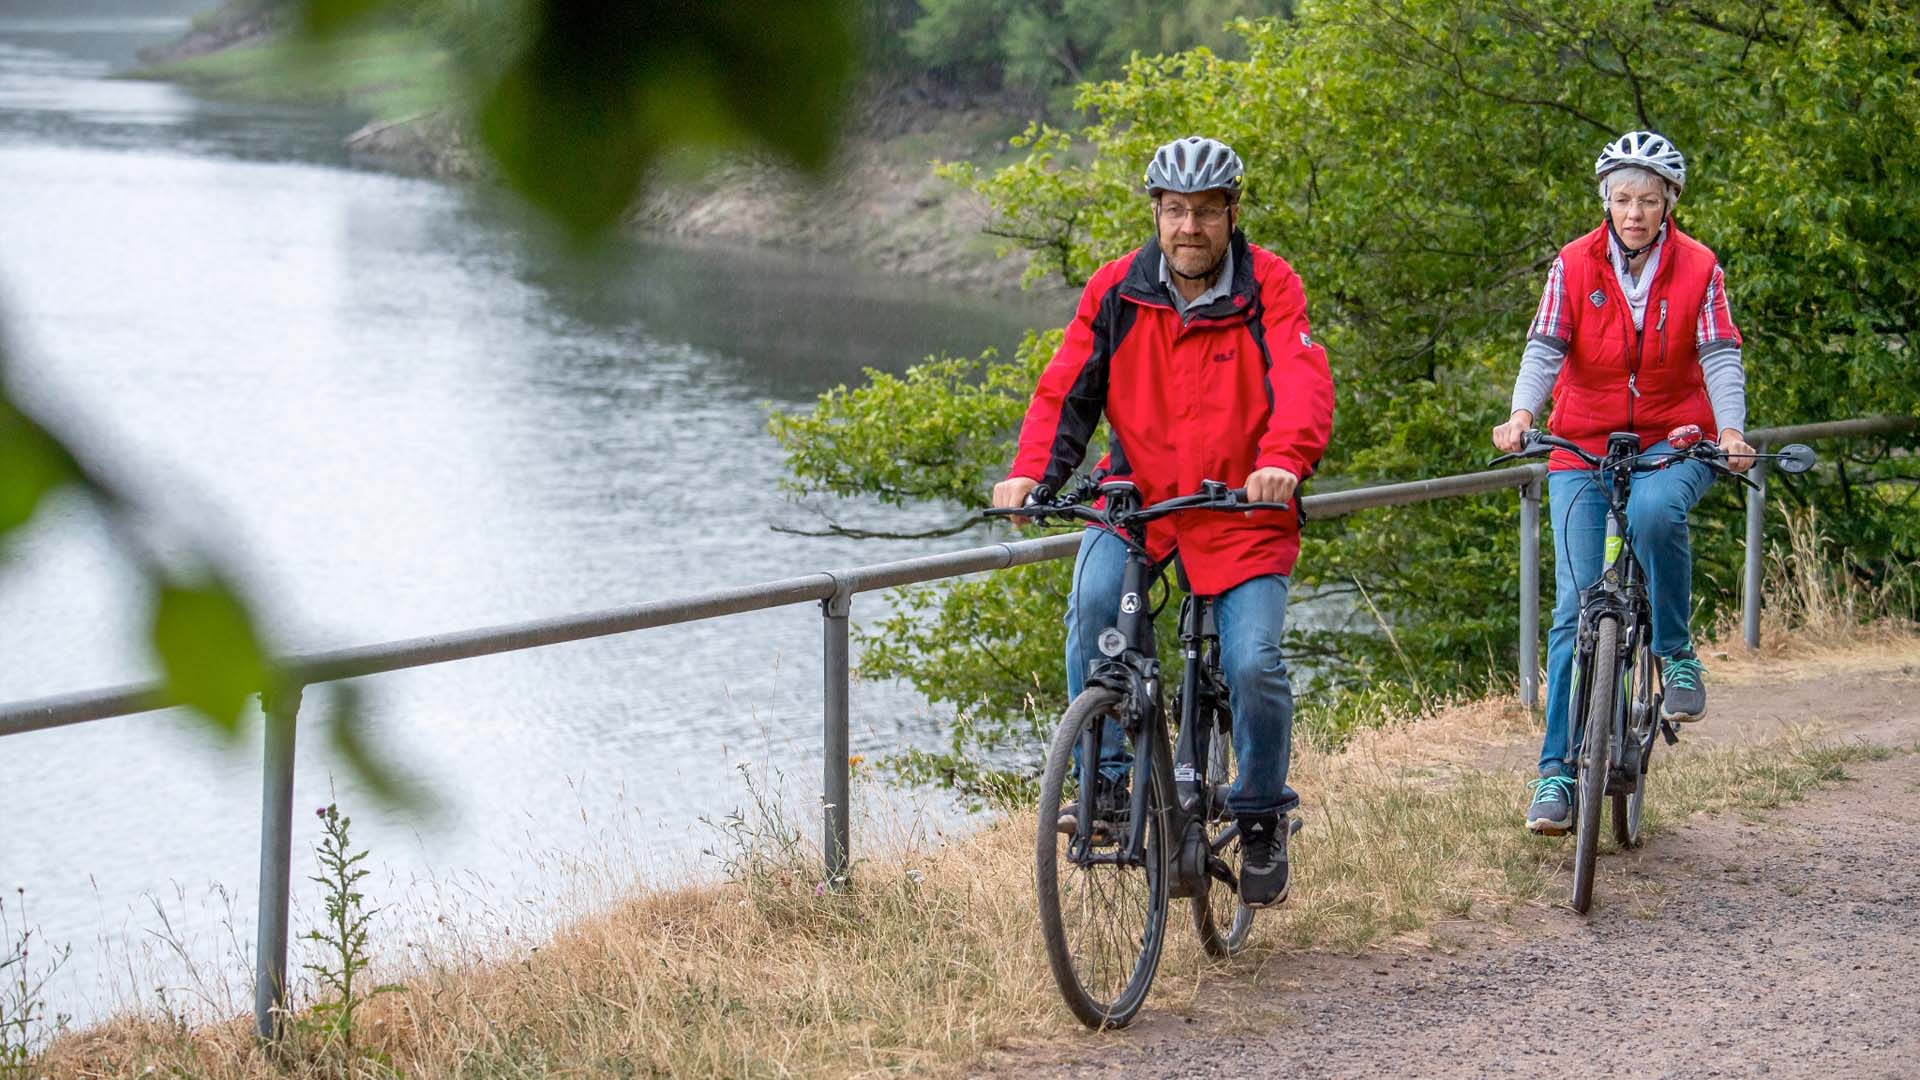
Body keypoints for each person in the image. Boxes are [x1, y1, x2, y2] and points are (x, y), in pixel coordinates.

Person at [991, 135, 1335, 906]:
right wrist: (1033, 473)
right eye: (1175, 211)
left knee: (1252, 664)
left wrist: (1282, 461)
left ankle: (1258, 814)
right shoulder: (1118, 288)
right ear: (1155, 212)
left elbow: (1304, 380)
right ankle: (1110, 786)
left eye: (1206, 212)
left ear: (1231, 214)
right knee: (1091, 604)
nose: (1189, 227)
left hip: (1242, 503)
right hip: (1138, 497)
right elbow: (1067, 388)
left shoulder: (1270, 284)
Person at [1492, 130, 1753, 835]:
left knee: (1656, 514)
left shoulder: (1699, 267)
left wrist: (1729, 431)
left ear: (1669, 202)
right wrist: (1522, 415)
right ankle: (1554, 774)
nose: (1633, 212)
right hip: (1582, 443)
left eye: (1647, 199)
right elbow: (1545, 347)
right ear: (1605, 201)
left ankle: (1675, 654)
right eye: (1621, 198)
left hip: (1676, 442)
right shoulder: (1574, 263)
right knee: (1574, 608)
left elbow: (1721, 354)